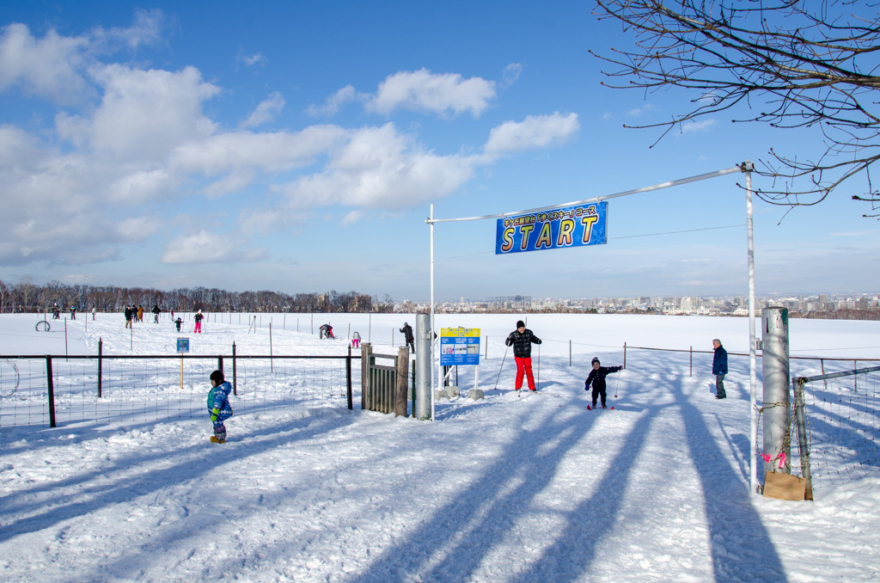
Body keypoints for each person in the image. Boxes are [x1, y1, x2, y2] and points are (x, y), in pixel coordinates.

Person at [505, 320, 542, 391]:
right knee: (521, 371)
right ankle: (518, 387)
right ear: (517, 328)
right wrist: (508, 340)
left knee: (529, 371)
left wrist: (538, 341)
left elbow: (534, 338)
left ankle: (532, 387)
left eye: (523, 328)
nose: (522, 329)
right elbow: (508, 344)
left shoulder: (529, 333)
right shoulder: (514, 334)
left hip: (527, 356)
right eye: (520, 328)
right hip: (518, 356)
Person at [207, 370, 233, 443]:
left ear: (219, 381)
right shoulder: (218, 389)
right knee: (217, 423)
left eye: (213, 380)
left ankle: (220, 438)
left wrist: (215, 412)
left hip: (218, 411)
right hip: (215, 410)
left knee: (218, 424)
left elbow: (218, 403)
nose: (211, 382)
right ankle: (218, 436)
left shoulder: (219, 391)